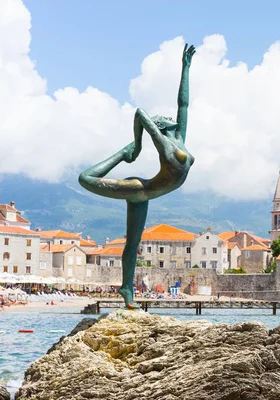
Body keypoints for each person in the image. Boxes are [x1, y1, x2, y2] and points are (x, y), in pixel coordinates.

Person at [78, 44, 197, 310]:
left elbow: (184, 104)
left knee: (133, 244)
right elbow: (141, 113)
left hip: (146, 194)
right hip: (138, 189)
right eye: (164, 119)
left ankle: (127, 289)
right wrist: (136, 145)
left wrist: (185, 67)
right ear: (162, 127)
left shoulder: (179, 139)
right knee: (85, 178)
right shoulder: (166, 145)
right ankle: (121, 154)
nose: (170, 117)